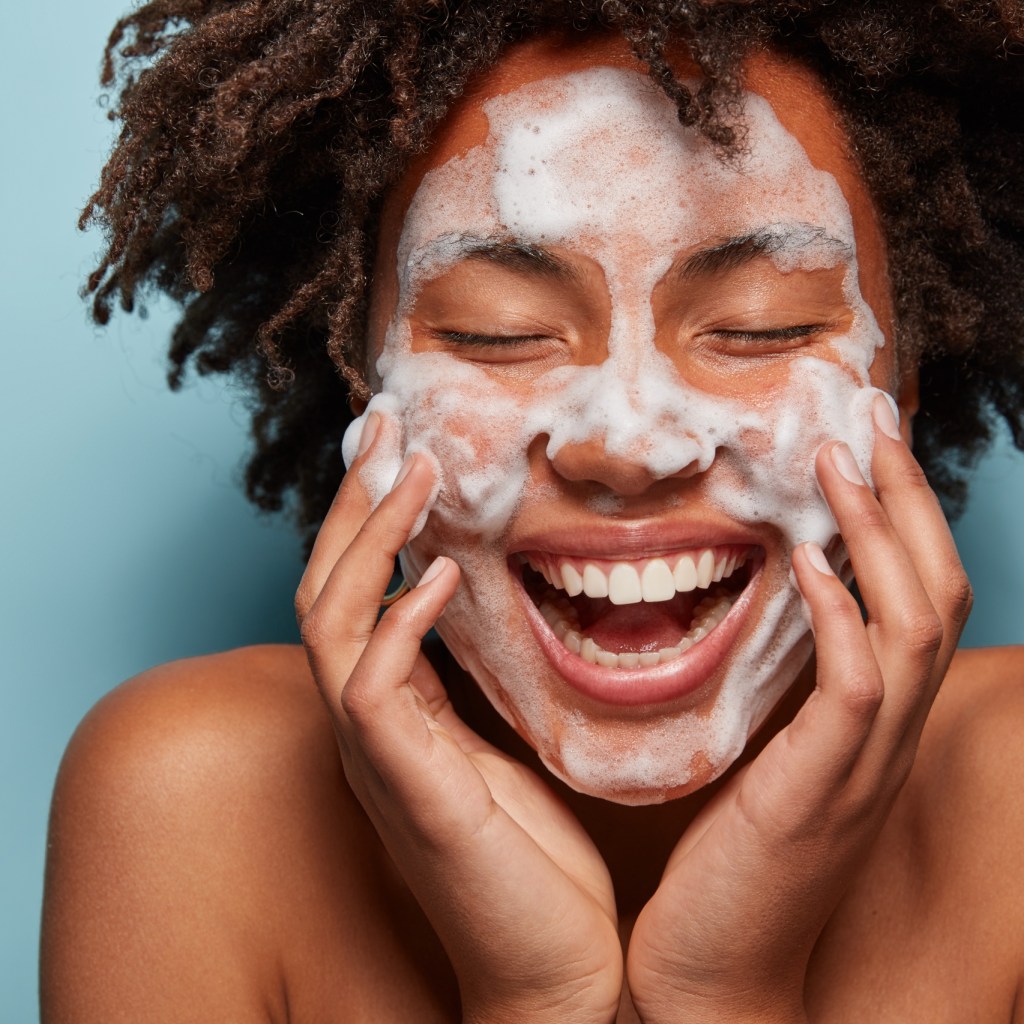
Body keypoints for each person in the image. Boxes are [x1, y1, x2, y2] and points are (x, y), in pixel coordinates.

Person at [40, 2, 1024, 1021]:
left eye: (756, 325)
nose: (626, 442)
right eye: (496, 333)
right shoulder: (186, 799)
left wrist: (726, 992)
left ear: (898, 392)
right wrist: (534, 1000)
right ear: (366, 394)